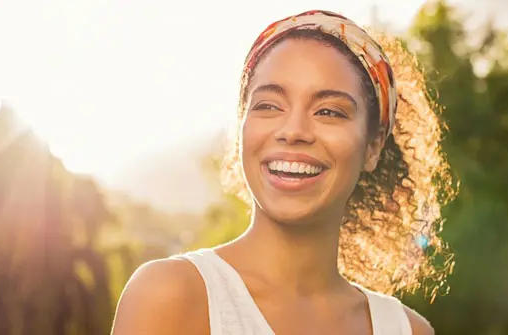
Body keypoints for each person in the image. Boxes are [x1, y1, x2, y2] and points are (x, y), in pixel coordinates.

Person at [112, 9, 453, 335]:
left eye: (329, 112)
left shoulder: (405, 330)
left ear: (373, 147)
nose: (293, 131)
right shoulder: (169, 297)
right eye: (269, 106)